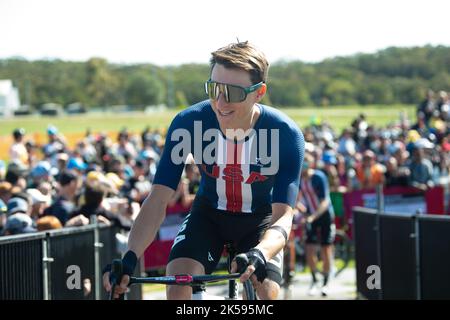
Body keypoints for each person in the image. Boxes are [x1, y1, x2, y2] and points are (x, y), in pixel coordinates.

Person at [103, 41, 305, 300]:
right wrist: (129, 257)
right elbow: (158, 199)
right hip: (208, 215)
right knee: (178, 285)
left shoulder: (285, 134)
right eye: (214, 89)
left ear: (259, 92)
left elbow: (283, 215)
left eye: (232, 93)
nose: (220, 102)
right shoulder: (189, 123)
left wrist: (262, 252)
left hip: (260, 221)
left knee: (266, 294)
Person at [298, 153, 335, 297]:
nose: (304, 166)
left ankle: (326, 281)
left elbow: (325, 201)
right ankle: (314, 279)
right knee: (309, 248)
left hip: (324, 215)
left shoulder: (319, 176)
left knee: (326, 248)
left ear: (312, 163)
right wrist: (301, 211)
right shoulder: (300, 179)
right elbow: (300, 200)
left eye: (307, 162)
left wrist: (313, 216)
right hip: (310, 217)